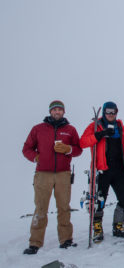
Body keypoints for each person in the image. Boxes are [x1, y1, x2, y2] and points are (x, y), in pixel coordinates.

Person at [22, 100, 82, 254]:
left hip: (63, 174)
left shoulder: (70, 130)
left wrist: (68, 149)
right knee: (41, 208)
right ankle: (35, 243)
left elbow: (78, 149)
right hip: (43, 174)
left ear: (64, 112)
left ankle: (66, 240)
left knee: (64, 207)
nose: (57, 112)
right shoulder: (38, 129)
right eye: (54, 110)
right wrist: (36, 157)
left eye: (59, 110)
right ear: (50, 112)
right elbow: (26, 148)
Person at [80, 101, 124, 241]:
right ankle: (97, 228)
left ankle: (118, 224)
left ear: (117, 112)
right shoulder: (95, 127)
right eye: (108, 111)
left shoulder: (123, 129)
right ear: (104, 112)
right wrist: (100, 135)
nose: (111, 114)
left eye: (113, 111)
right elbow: (83, 142)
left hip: (119, 169)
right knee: (98, 201)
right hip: (101, 170)